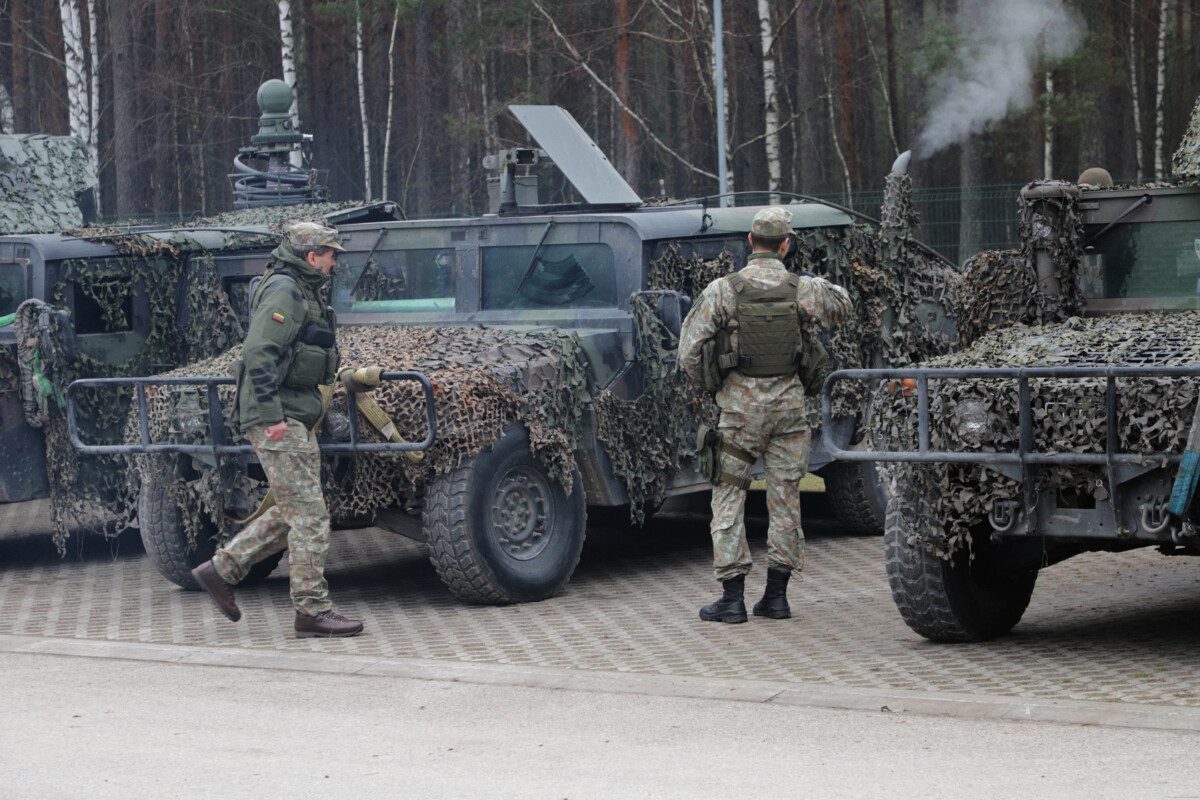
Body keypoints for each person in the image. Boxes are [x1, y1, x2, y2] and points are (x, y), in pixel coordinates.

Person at [679, 207, 852, 623]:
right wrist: (812, 283)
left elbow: (688, 353)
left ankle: (732, 599)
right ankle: (776, 597)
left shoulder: (724, 289)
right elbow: (843, 307)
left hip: (739, 414)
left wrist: (716, 381)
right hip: (789, 413)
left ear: (751, 243)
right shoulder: (802, 290)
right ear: (787, 245)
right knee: (786, 498)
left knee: (728, 495)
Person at [191, 221, 364, 638]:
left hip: (293, 414)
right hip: (278, 418)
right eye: (330, 253)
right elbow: (257, 352)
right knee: (310, 516)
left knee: (295, 511)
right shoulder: (285, 291)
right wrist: (270, 417)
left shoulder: (301, 289)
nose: (334, 261)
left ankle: (221, 569)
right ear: (311, 256)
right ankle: (311, 609)